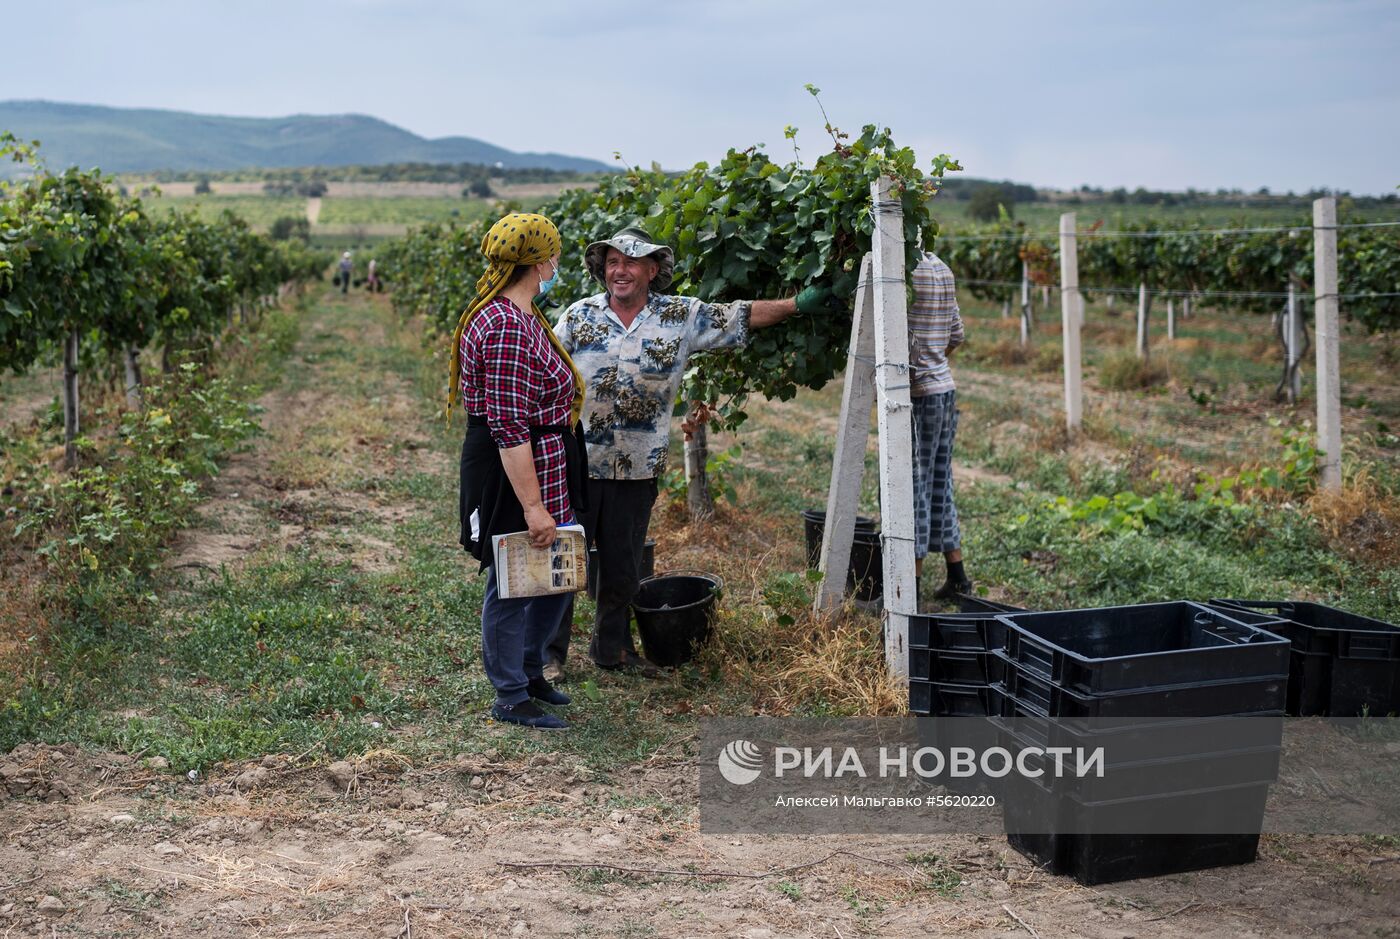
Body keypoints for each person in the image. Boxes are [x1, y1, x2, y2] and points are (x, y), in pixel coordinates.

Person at [547, 226, 836, 678]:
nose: (619, 271)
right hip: (576, 462)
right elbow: (544, 366)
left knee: (623, 569)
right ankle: (550, 656)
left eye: (630, 262)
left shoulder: (681, 316)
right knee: (565, 561)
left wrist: (798, 305)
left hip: (637, 467)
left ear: (653, 269)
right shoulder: (578, 316)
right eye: (612, 263)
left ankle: (612, 651)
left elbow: (739, 316)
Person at [455, 212, 588, 730]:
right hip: (518, 468)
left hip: (545, 459)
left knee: (553, 572)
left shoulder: (522, 313)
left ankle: (530, 672)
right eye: (554, 254)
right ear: (539, 261)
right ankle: (510, 695)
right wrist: (532, 507)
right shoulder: (507, 326)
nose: (557, 263)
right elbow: (509, 426)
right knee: (512, 580)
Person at [909, 251, 971, 600]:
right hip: (945, 389)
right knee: (939, 480)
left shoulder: (900, 271)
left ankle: (911, 589)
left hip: (918, 394)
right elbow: (956, 335)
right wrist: (934, 359)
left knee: (912, 487)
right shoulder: (941, 267)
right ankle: (957, 577)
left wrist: (919, 364)